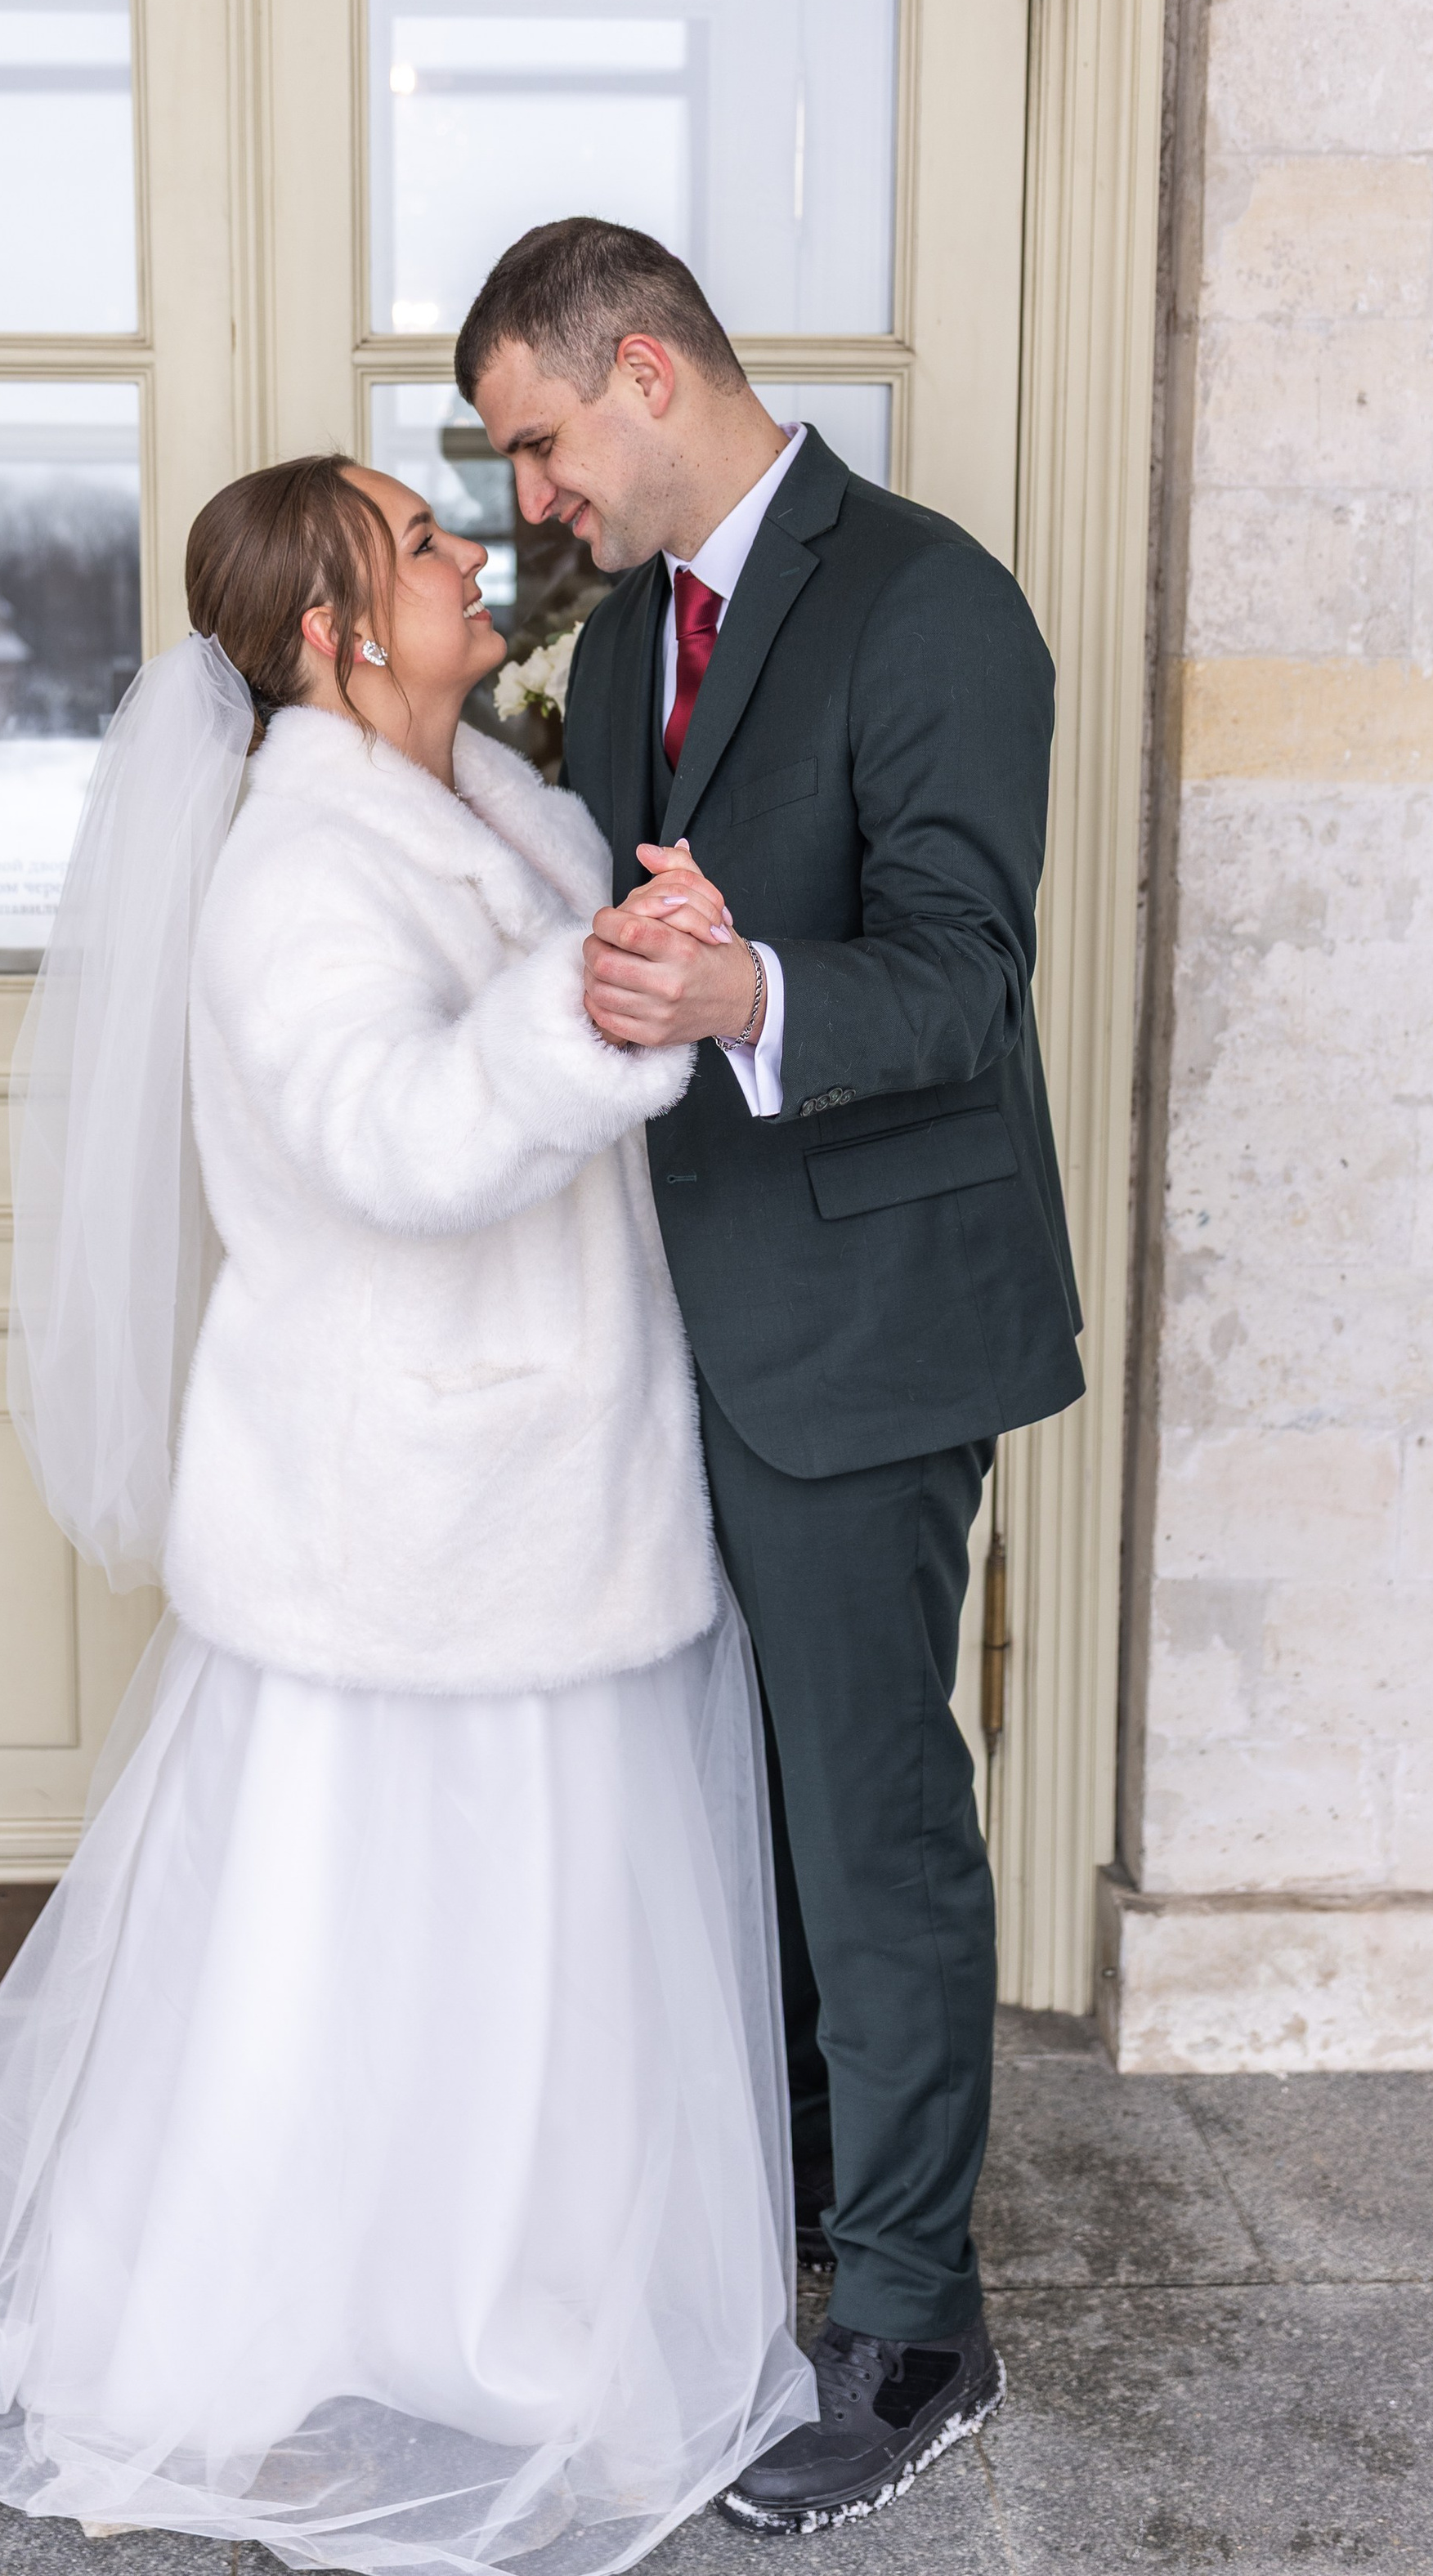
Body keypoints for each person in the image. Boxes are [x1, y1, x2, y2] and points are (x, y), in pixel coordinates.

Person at [0, 452, 814, 2563]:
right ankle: (267, 2340)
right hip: (405, 1517)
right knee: (344, 1965)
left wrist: (653, 951)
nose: (475, 555)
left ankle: (524, 2321)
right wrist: (586, 1005)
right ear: (330, 636)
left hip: (545, 1484)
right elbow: (390, 1135)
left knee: (533, 1961)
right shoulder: (296, 874)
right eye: (422, 545)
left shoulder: (517, 809)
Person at [459, 217, 1086, 2534]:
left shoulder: (933, 600)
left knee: (866, 1821)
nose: (531, 499)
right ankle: (796, 2238)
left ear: (640, 376)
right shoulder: (624, 641)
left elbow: (959, 976)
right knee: (739, 1827)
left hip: (868, 1340)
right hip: (666, 1341)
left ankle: (915, 2325)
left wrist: (745, 1003)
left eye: (536, 444)